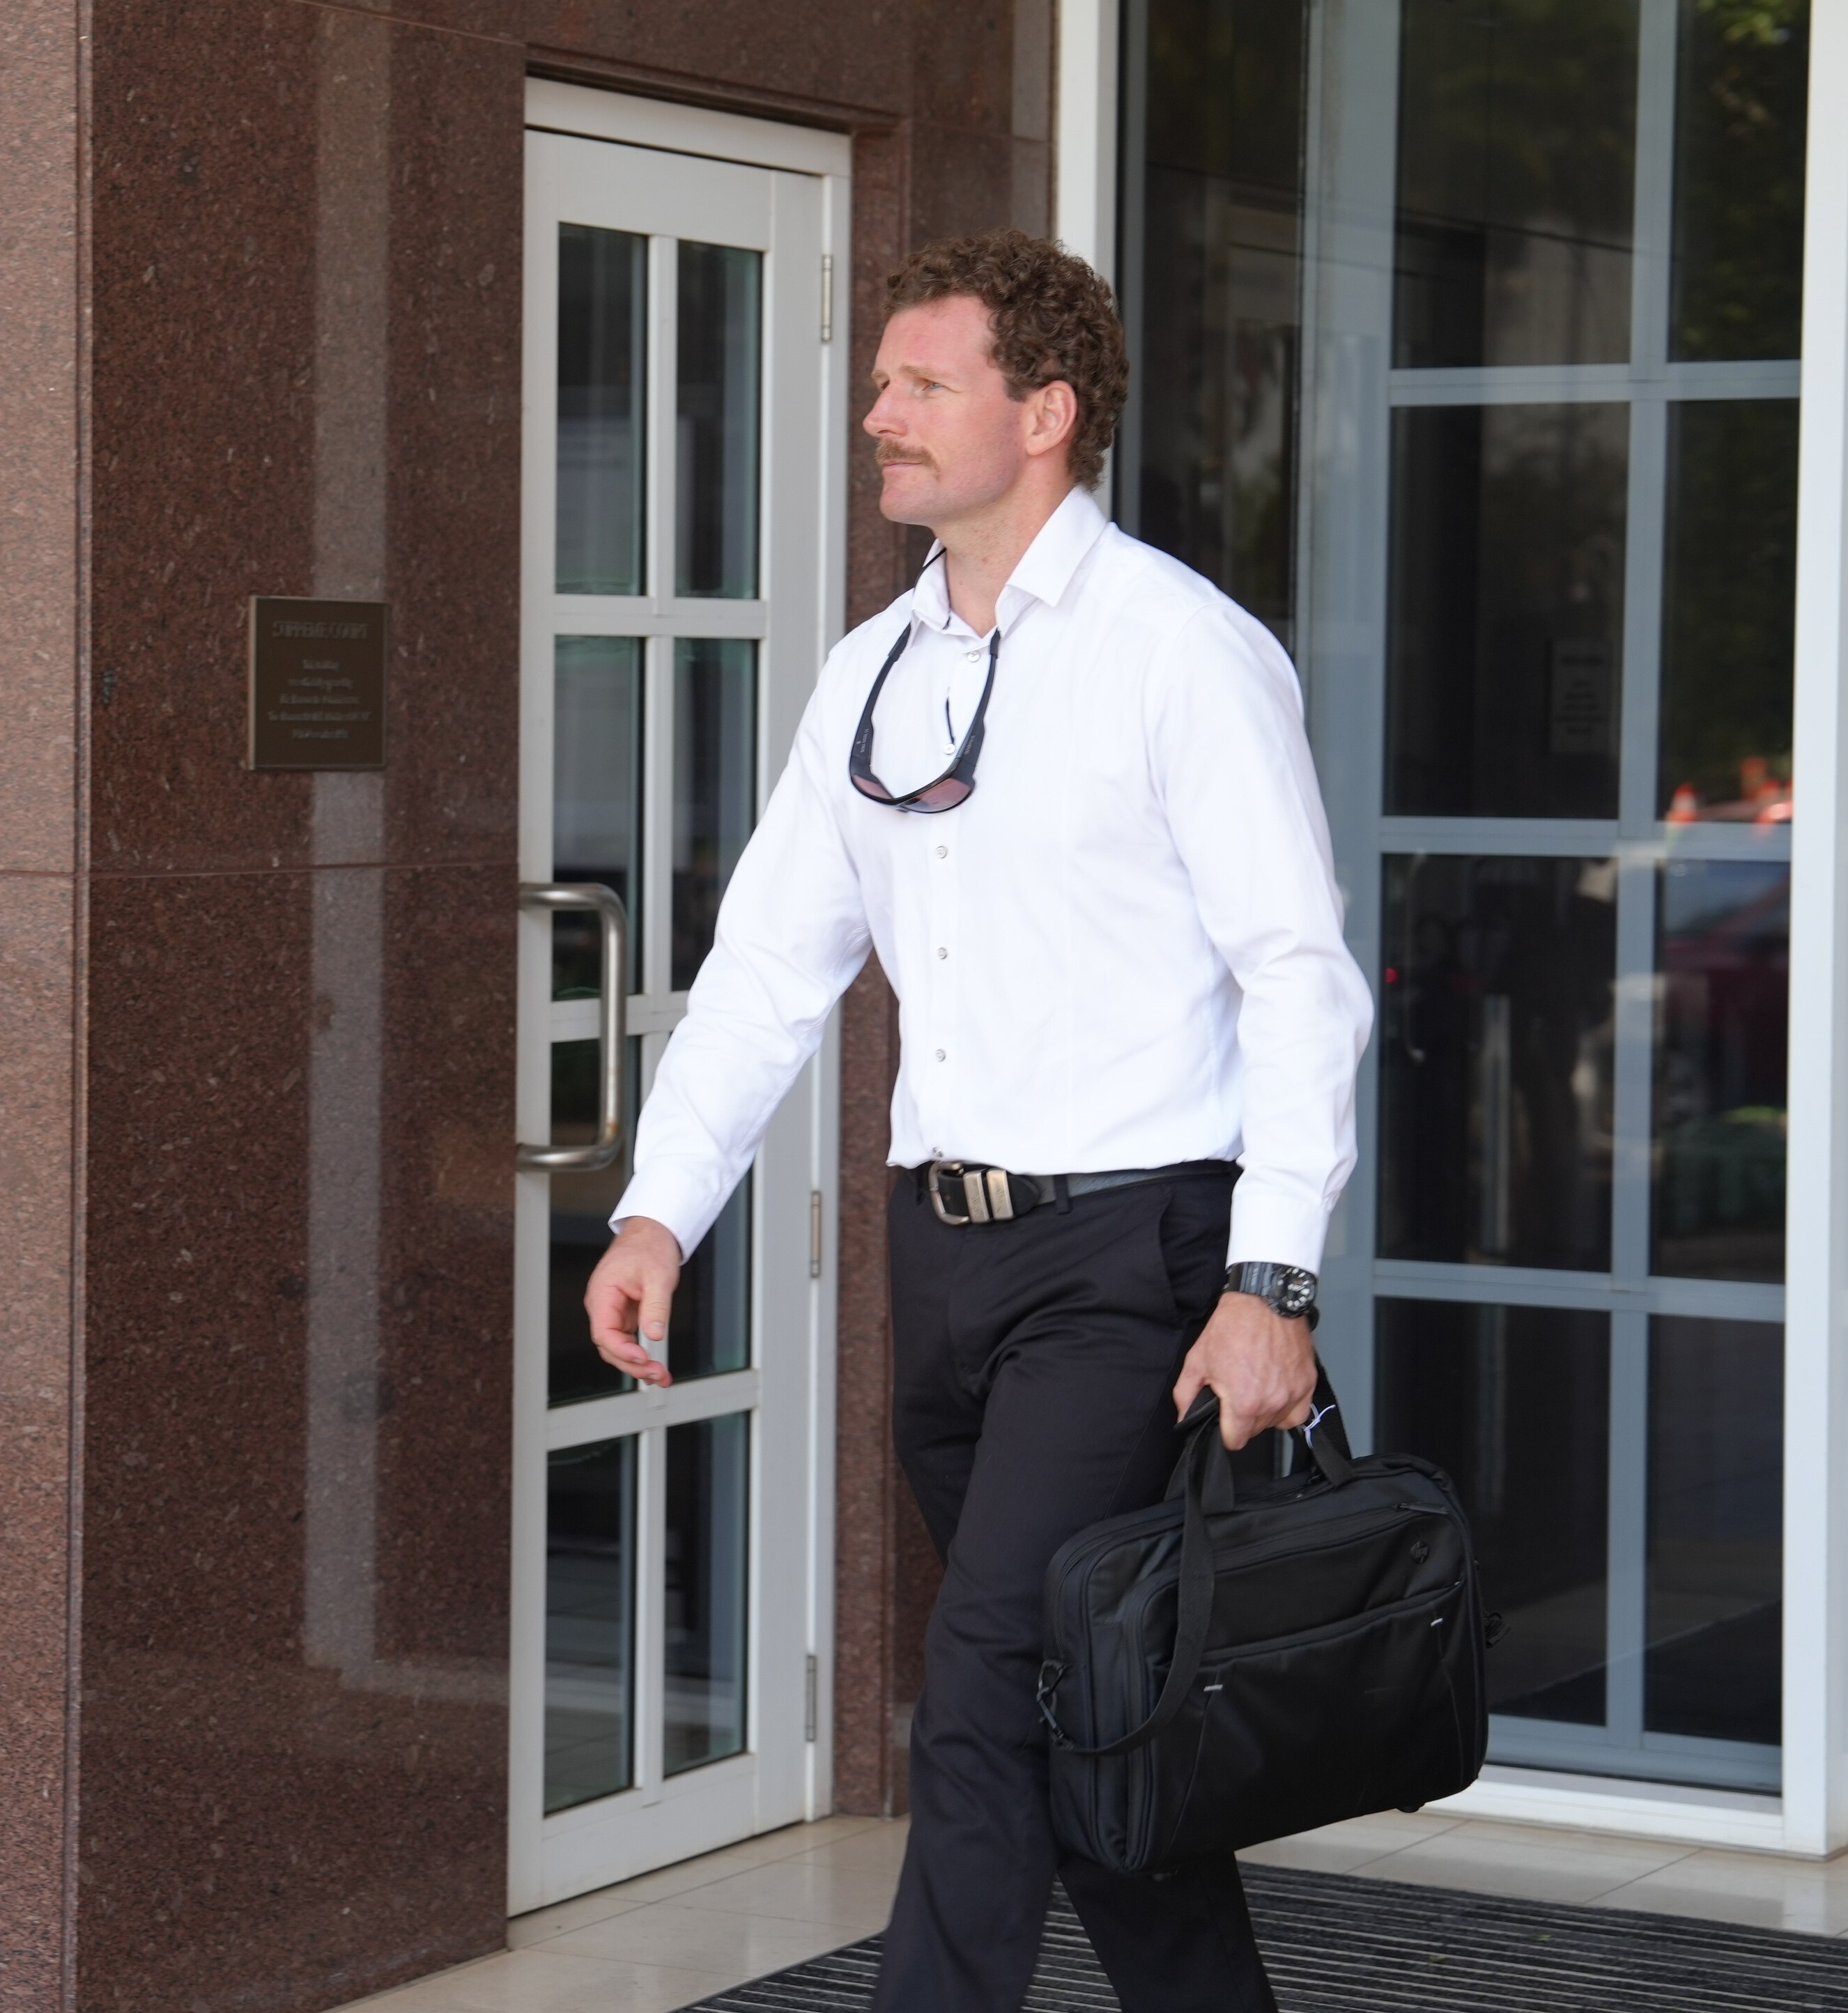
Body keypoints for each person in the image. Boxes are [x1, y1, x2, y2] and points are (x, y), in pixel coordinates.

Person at [580, 230, 1370, 2012]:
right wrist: (658, 1213)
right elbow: (772, 960)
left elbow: (1300, 979)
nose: (880, 417)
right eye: (884, 384)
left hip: (1132, 1255)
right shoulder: (873, 669)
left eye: (922, 385)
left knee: (988, 1679)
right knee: (1078, 1706)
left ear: (1048, 413)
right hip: (943, 1253)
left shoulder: (1182, 653)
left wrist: (1277, 1278)